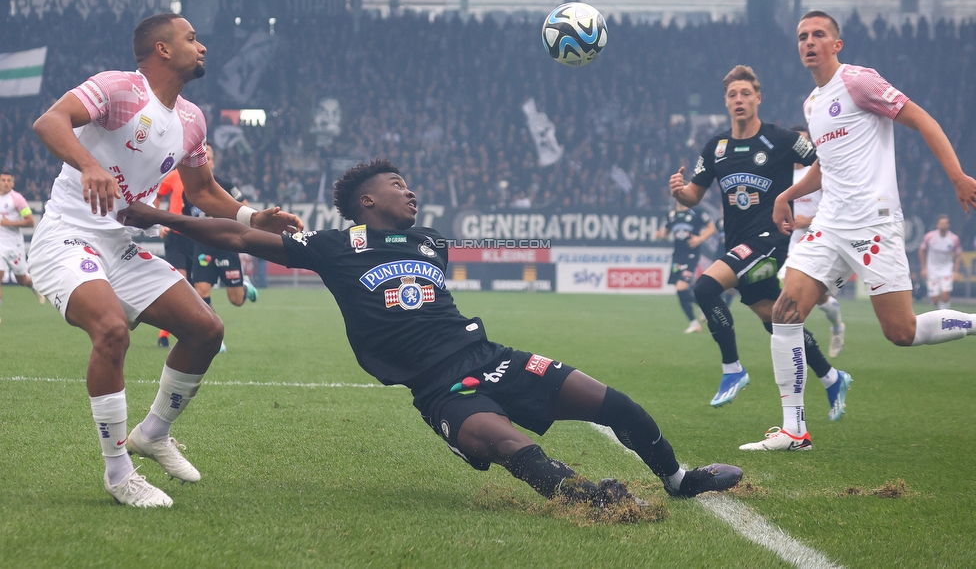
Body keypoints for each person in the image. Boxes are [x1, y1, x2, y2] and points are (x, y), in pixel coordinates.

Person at [120, 159, 744, 507]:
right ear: (366, 201)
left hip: (489, 354)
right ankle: (585, 496)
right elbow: (239, 236)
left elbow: (490, 248)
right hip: (440, 387)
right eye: (397, 184)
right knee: (508, 445)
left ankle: (677, 479)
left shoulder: (428, 241)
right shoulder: (336, 245)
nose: (410, 189)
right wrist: (159, 218)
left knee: (614, 403)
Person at [29, 12, 302, 507]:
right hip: (67, 235)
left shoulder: (193, 120)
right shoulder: (118, 88)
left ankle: (153, 432)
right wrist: (89, 164)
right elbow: (49, 121)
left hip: (121, 245)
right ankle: (118, 473)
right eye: (192, 38)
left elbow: (202, 190)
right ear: (161, 49)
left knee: (206, 329)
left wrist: (251, 215)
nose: (202, 47)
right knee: (111, 329)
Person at [755, 10, 976, 452]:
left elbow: (922, 119)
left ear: (836, 44)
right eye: (802, 36)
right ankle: (794, 429)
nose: (809, 42)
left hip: (872, 223)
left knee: (901, 332)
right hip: (830, 225)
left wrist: (957, 175)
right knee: (785, 310)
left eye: (819, 34)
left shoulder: (859, 81)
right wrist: (787, 194)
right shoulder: (813, 103)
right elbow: (826, 165)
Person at [669, 65, 851, 425]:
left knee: (704, 288)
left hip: (770, 239)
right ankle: (833, 378)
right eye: (733, 95)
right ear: (726, 101)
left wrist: (796, 196)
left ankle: (733, 369)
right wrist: (680, 190)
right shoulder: (717, 147)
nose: (739, 100)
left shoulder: (781, 140)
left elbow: (827, 163)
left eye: (745, 94)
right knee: (778, 321)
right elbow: (694, 193)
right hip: (739, 243)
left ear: (758, 99)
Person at [183, 144, 258, 353]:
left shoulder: (226, 185)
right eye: (202, 157)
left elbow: (246, 207)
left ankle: (243, 287)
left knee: (236, 300)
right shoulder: (188, 190)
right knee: (201, 291)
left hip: (226, 247)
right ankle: (215, 338)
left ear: (214, 162)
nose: (206, 160)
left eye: (209, 157)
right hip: (202, 247)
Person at [779, 126, 847, 357]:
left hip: (817, 237)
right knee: (787, 296)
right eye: (798, 141)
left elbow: (835, 206)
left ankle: (837, 326)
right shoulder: (782, 173)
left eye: (806, 142)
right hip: (789, 242)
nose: (802, 146)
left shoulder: (819, 174)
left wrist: (807, 219)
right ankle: (797, 348)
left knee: (819, 299)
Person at [655, 202, 716, 333]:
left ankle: (701, 307)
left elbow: (711, 228)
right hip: (677, 256)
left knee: (681, 287)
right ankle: (694, 322)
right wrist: (660, 235)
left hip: (691, 255)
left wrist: (700, 238)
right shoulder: (671, 214)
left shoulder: (697, 212)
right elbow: (665, 234)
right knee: (680, 291)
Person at [153, 168, 192, 348]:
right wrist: (159, 223)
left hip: (197, 237)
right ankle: (164, 334)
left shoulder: (208, 180)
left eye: (210, 158)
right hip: (175, 236)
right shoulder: (176, 175)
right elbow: (156, 194)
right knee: (180, 282)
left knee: (197, 288)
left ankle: (196, 332)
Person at [0, 170, 46, 322]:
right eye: (3, 180)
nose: (6, 183)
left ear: (12, 183)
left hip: (14, 244)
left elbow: (30, 221)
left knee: (22, 280)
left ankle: (34, 287)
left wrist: (9, 223)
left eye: (8, 180)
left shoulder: (17, 199)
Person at [918, 215, 962, 310]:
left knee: (945, 295)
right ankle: (938, 313)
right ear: (937, 225)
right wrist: (924, 268)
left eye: (945, 223)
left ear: (949, 225)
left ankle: (945, 315)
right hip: (932, 269)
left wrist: (956, 272)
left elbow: (958, 254)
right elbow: (921, 250)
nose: (943, 225)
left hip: (946, 269)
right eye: (941, 223)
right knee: (935, 298)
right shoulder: (929, 237)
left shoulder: (954, 238)